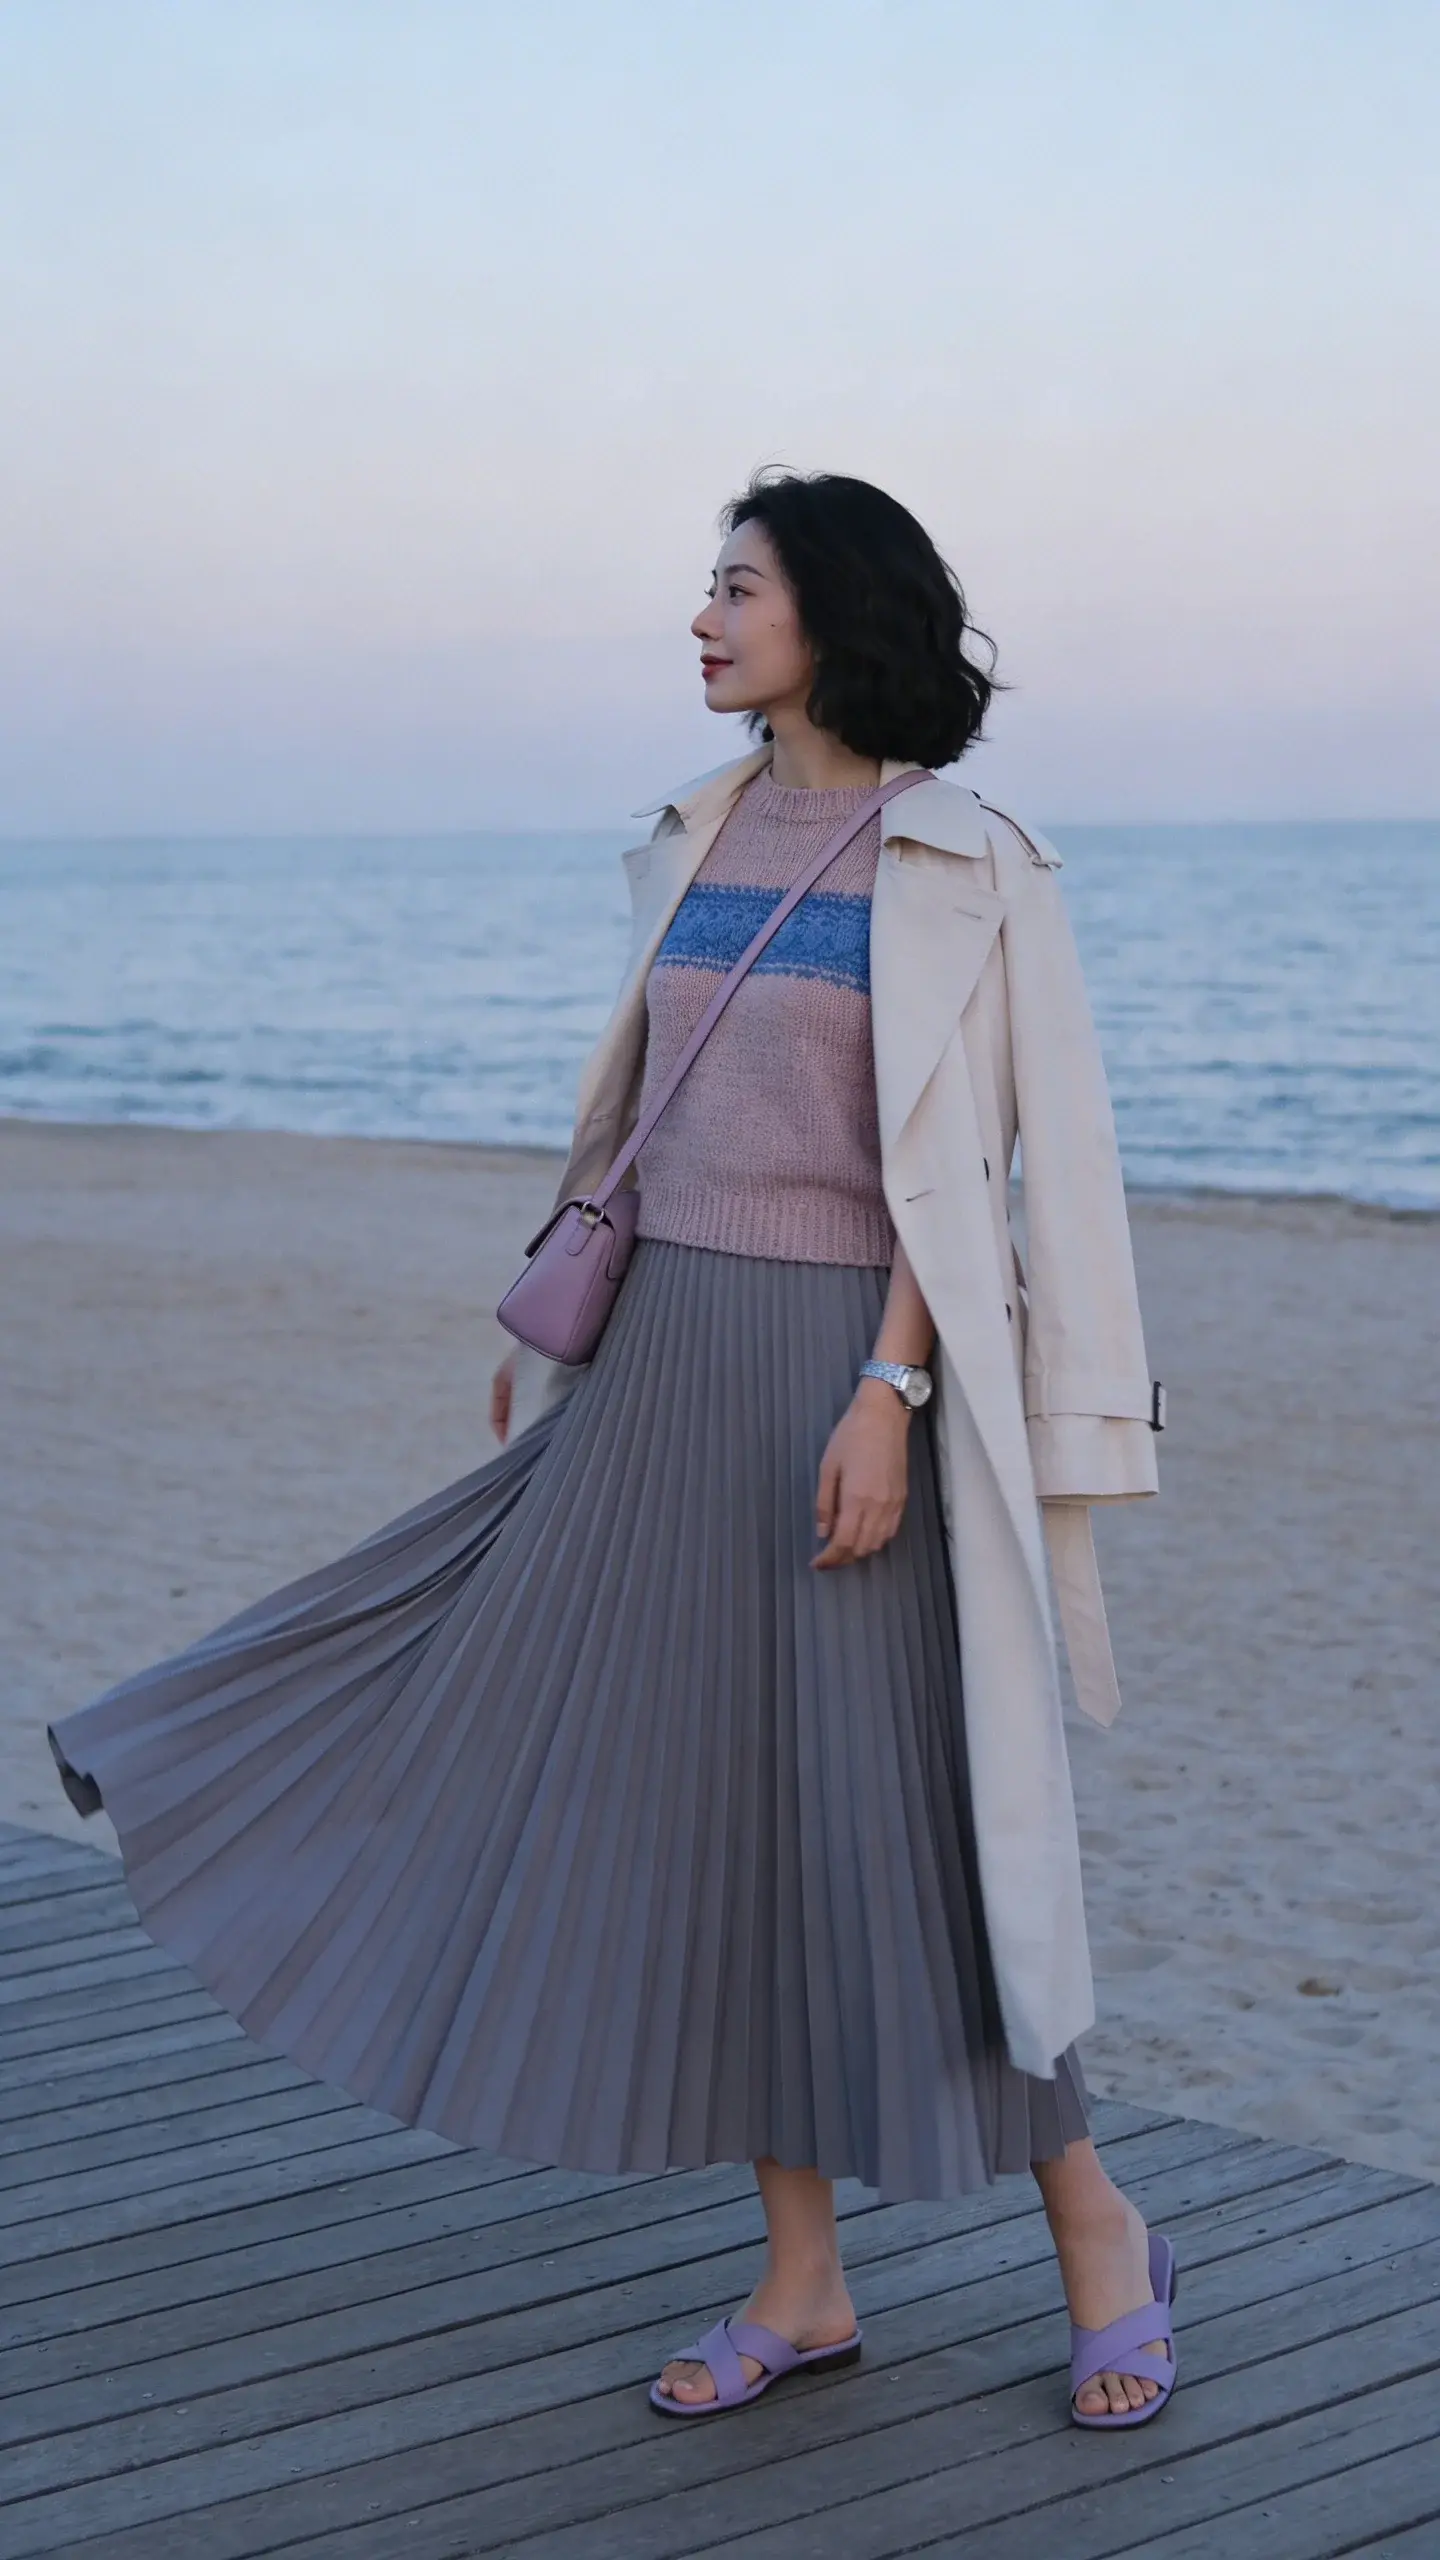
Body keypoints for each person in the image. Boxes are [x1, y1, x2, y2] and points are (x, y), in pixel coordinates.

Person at [50, 468, 1177, 2429]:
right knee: (707, 1820)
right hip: (658, 1367)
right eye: (708, 588)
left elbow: (983, 1170)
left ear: (834, 611)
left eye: (737, 587)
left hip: (845, 1381)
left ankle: (1100, 2228)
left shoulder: (968, 858)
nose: (704, 619)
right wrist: (561, 1295)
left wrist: (891, 1390)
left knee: (903, 1825)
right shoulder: (701, 828)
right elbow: (652, 1103)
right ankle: (803, 2282)